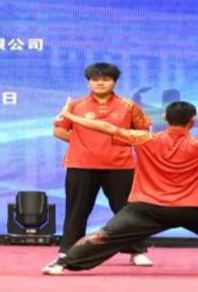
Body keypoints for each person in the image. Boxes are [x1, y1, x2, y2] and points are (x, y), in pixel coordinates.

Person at [43, 98, 198, 276]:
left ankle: (62, 264)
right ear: (193, 121)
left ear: (165, 119)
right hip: (192, 210)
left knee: (105, 235)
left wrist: (72, 117)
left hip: (145, 209)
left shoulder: (144, 139)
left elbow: (107, 128)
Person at [54, 63, 154, 266]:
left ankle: (137, 251)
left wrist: (120, 142)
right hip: (81, 164)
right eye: (95, 79)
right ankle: (68, 250)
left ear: (115, 82)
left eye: (106, 79)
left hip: (120, 165)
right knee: (77, 210)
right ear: (88, 82)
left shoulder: (128, 106)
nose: (100, 83)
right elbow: (59, 130)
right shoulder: (74, 105)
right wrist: (83, 143)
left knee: (128, 210)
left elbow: (143, 132)